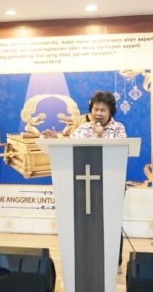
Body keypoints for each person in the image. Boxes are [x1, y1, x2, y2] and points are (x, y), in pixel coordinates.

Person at [43, 91, 126, 270]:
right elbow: (69, 149)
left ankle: (115, 261)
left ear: (110, 111)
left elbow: (119, 154)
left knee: (111, 222)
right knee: (86, 221)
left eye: (103, 110)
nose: (98, 113)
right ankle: (88, 258)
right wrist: (56, 140)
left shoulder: (118, 128)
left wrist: (101, 135)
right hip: (84, 184)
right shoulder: (82, 129)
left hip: (111, 182)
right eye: (95, 109)